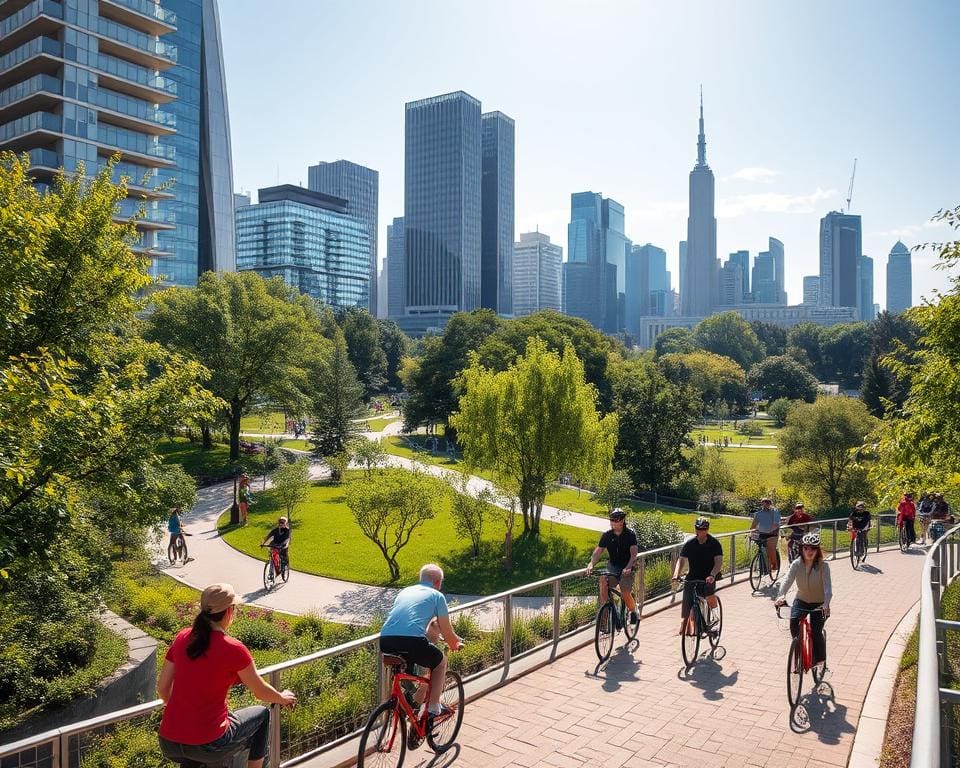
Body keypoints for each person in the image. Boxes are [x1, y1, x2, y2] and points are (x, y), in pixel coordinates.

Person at [157, 584, 296, 768]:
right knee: (262, 716)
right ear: (230, 611)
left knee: (193, 757)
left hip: (170, 741)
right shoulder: (233, 648)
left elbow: (162, 688)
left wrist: (184, 714)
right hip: (208, 743)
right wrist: (282, 698)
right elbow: (260, 692)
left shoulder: (182, 637)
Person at [379, 563, 463, 744]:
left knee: (406, 674)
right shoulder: (437, 596)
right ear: (438, 582)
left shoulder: (404, 592)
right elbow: (446, 631)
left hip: (386, 639)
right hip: (412, 642)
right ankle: (434, 707)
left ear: (421, 579)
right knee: (440, 662)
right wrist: (455, 643)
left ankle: (407, 705)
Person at [774, 532, 832, 673]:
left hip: (819, 604)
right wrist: (781, 595)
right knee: (794, 623)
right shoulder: (796, 564)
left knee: (816, 631)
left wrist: (826, 603)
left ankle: (820, 659)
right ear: (802, 548)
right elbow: (787, 580)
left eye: (813, 548)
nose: (809, 551)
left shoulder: (823, 566)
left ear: (817, 550)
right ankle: (798, 650)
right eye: (806, 548)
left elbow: (828, 588)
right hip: (801, 600)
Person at [585, 508, 640, 625]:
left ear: (622, 520)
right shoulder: (607, 535)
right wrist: (591, 564)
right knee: (603, 582)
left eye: (616, 520)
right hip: (613, 566)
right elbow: (598, 552)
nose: (613, 523)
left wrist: (629, 567)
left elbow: (633, 554)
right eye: (611, 520)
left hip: (628, 566)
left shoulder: (630, 534)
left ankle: (633, 611)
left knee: (625, 591)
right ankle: (606, 615)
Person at [670, 517, 723, 636]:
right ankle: (686, 623)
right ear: (695, 529)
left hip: (709, 576)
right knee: (688, 601)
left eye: (703, 529)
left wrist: (712, 575)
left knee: (709, 596)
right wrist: (676, 574)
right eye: (698, 528)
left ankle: (715, 615)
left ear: (707, 530)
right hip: (693, 575)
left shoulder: (714, 544)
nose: (700, 531)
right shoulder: (690, 543)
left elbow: (718, 562)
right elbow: (681, 560)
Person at [751, 497, 781, 574]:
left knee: (770, 548)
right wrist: (752, 532)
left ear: (770, 504)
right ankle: (763, 568)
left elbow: (775, 525)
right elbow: (753, 526)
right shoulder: (758, 514)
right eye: (764, 503)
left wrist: (768, 531)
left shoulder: (775, 512)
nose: (766, 505)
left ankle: (774, 565)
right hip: (762, 534)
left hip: (772, 534)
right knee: (761, 550)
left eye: (767, 503)